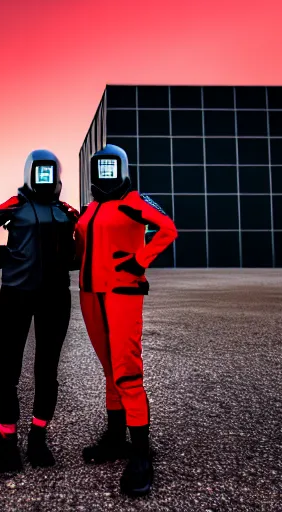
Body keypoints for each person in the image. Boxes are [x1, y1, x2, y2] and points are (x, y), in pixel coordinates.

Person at [0, 149, 79, 476]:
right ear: (31, 172)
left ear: (57, 175)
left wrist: (76, 257)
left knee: (47, 372)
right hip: (16, 295)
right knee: (5, 371)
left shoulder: (66, 211)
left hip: (56, 298)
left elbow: (85, 236)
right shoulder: (15, 205)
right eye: (40, 173)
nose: (46, 179)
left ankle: (38, 439)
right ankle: (6, 445)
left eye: (50, 173)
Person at [75, 144, 178, 496]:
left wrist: (140, 260)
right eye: (100, 168)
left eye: (111, 167)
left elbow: (167, 229)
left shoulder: (136, 200)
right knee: (109, 370)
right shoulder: (88, 209)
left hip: (122, 294)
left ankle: (140, 454)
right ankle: (116, 438)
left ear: (122, 168)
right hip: (89, 295)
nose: (105, 174)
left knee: (127, 372)